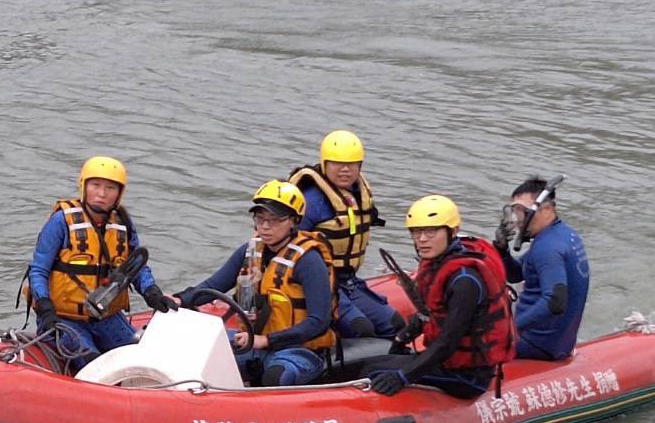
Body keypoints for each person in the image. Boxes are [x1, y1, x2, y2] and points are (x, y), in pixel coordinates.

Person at [180, 181, 336, 387]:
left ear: (293, 221)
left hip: (298, 351)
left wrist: (266, 341)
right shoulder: (250, 250)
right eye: (260, 219)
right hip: (254, 343)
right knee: (195, 354)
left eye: (274, 220)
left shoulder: (309, 261)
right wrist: (179, 299)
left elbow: (319, 322)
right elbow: (214, 285)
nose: (265, 226)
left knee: (275, 376)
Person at [361, 195, 516, 399]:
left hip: (468, 377)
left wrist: (402, 376)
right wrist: (401, 339)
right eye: (416, 232)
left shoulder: (465, 281)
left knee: (371, 373)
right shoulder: (439, 263)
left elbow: (447, 343)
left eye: (431, 231)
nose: (422, 239)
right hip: (446, 362)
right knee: (368, 364)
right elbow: (430, 315)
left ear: (452, 232)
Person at [27, 156, 172, 373]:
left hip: (106, 316)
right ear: (84, 185)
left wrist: (151, 291)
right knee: (94, 363)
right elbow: (38, 270)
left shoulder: (122, 223)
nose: (102, 194)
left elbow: (136, 266)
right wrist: (45, 306)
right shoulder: (61, 222)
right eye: (96, 185)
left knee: (144, 361)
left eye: (110, 188)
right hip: (66, 318)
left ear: (119, 193)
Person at [287, 130, 402, 340]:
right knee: (361, 330)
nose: (345, 170)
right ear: (324, 163)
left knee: (395, 324)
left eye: (352, 164)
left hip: (349, 282)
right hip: (319, 284)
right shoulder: (311, 202)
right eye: (337, 164)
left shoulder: (357, 195)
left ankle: (389, 366)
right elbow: (287, 247)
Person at [495, 177, 590, 361]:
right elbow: (516, 275)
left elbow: (554, 301)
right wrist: (502, 251)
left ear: (546, 209)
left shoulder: (547, 248)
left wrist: (509, 328)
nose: (517, 220)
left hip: (536, 345)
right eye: (514, 211)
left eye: (521, 211)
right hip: (558, 342)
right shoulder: (561, 235)